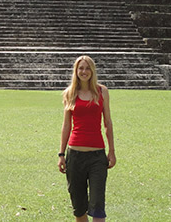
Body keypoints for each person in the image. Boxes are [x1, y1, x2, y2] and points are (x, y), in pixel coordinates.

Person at [58, 55, 116, 222]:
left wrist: (111, 152)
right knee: (79, 208)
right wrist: (61, 154)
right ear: (76, 71)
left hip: (97, 156)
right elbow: (66, 126)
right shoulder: (70, 93)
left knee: (98, 206)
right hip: (75, 156)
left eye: (87, 68)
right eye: (81, 68)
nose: (84, 71)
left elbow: (108, 123)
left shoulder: (102, 91)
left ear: (92, 71)